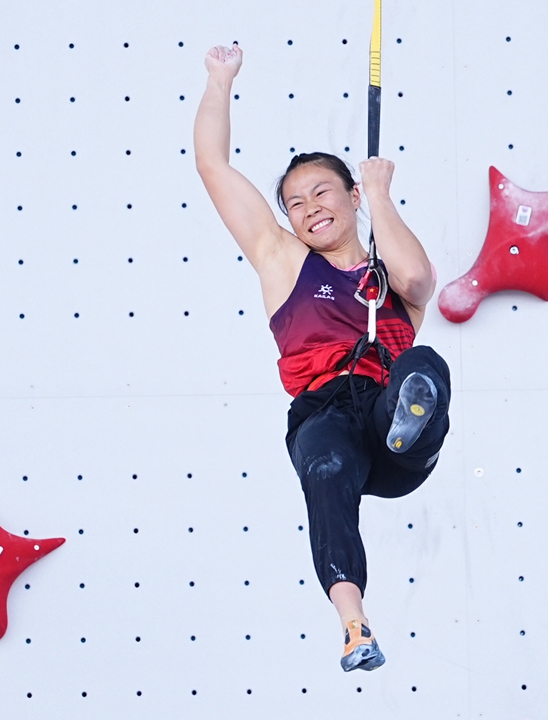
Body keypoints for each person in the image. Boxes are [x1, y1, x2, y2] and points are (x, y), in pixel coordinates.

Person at [193, 44, 452, 672]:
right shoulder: (282, 260)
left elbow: (419, 280)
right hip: (325, 413)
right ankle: (354, 621)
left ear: (352, 196)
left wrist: (382, 194)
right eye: (296, 204)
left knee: (424, 364)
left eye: (323, 194)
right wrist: (220, 78)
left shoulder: (384, 273)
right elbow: (212, 165)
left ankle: (408, 420)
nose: (310, 211)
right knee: (329, 465)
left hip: (388, 431)